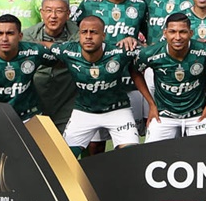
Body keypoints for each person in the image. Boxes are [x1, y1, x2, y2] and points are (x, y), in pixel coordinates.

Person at [39, 16, 140, 157]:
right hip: (84, 112)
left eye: (93, 32)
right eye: (84, 32)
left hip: (117, 110)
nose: (88, 37)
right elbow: (46, 45)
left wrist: (134, 41)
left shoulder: (119, 52)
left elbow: (149, 52)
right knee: (63, 161)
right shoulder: (68, 50)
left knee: (133, 156)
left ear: (103, 35)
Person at [78, 0, 148, 128]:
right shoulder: (90, 4)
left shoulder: (139, 6)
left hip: (129, 82)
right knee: (96, 145)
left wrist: (137, 42)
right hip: (95, 81)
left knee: (131, 141)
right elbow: (73, 36)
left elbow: (150, 41)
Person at [131, 13, 206, 141]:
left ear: (191, 33)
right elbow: (135, 72)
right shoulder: (150, 53)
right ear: (165, 33)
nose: (177, 37)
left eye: (183, 32)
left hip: (198, 114)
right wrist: (151, 104)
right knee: (151, 154)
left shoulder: (205, 51)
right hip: (163, 115)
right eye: (172, 32)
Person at [24, 0, 80, 133]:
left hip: (67, 102)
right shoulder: (27, 35)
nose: (53, 16)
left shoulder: (79, 34)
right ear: (41, 13)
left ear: (68, 14)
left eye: (59, 11)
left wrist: (43, 47)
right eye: (48, 10)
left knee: (65, 150)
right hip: (36, 102)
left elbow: (76, 55)